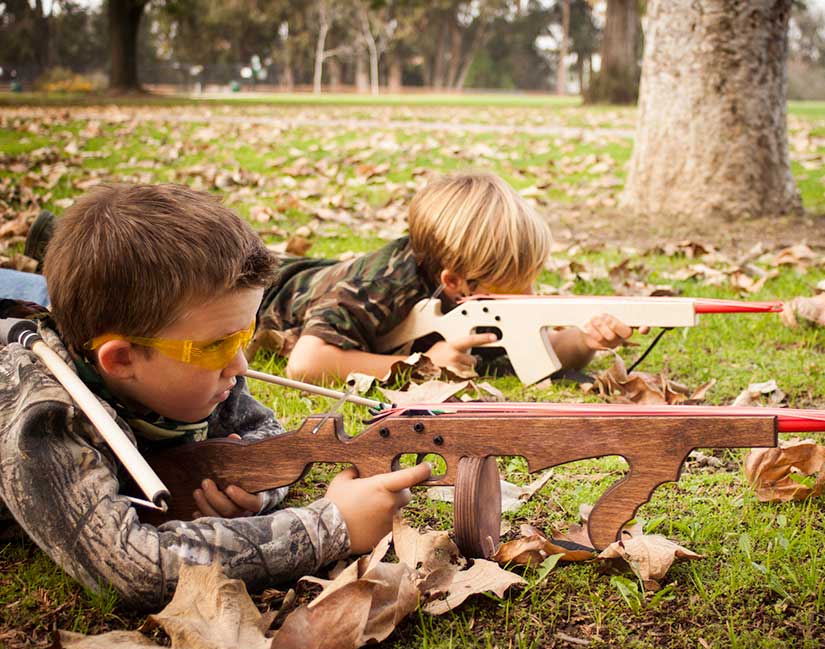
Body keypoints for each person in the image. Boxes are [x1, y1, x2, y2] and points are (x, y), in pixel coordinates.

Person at [0, 184, 430, 609]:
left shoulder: (202, 368)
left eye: (244, 335)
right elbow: (131, 565)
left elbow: (264, 433)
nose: (240, 364)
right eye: (219, 345)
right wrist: (330, 526)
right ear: (122, 359)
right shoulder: (46, 417)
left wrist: (260, 490)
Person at [257, 172, 643, 384]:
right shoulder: (385, 282)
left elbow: (536, 354)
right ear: (456, 282)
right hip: (263, 288)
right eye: (514, 288)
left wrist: (585, 340)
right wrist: (423, 363)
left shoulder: (474, 290)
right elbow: (308, 363)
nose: (528, 296)